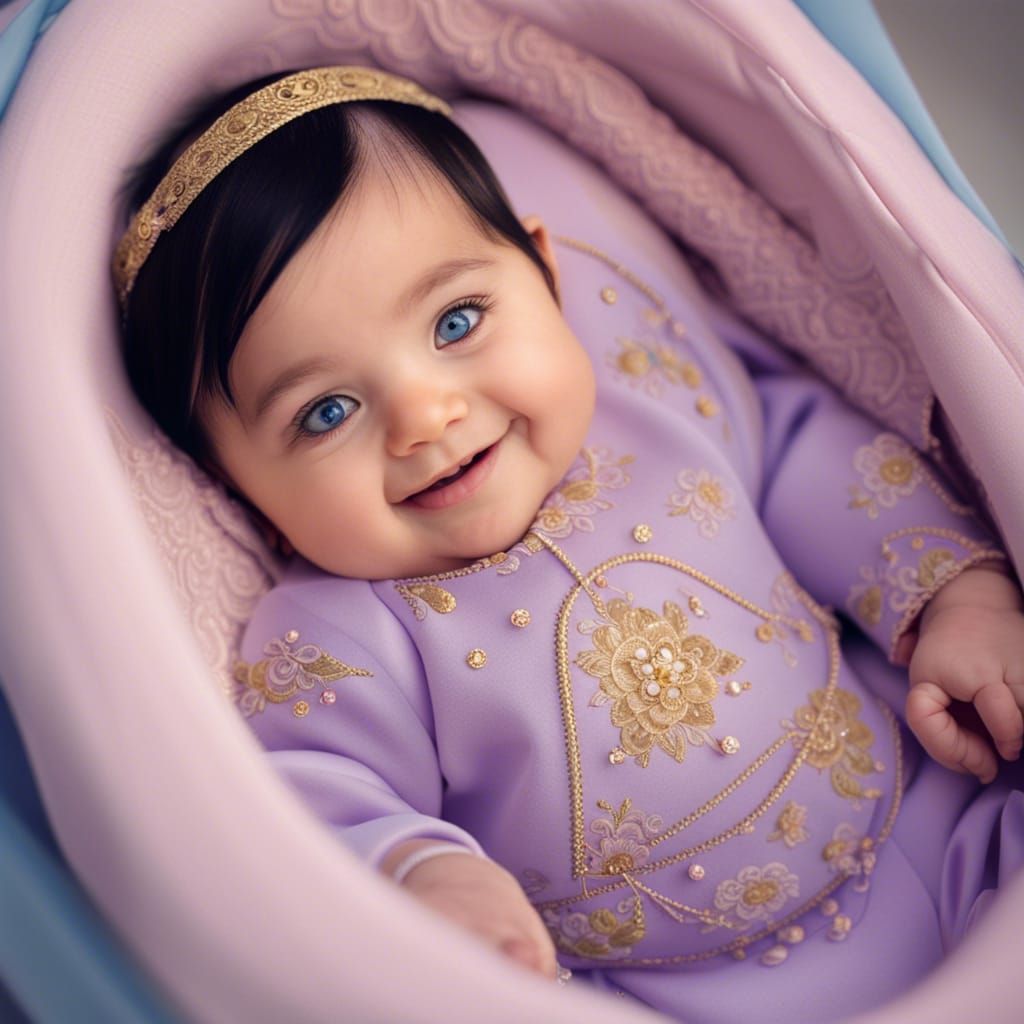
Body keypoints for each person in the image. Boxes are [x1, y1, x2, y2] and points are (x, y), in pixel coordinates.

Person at [115, 66, 1024, 1021]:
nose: (425, 416)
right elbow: (315, 792)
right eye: (326, 411)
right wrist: (419, 871)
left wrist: (956, 595)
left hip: (943, 825)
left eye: (456, 322)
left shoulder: (650, 401)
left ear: (547, 277)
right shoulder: (332, 637)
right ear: (243, 491)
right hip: (655, 993)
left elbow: (802, 455)